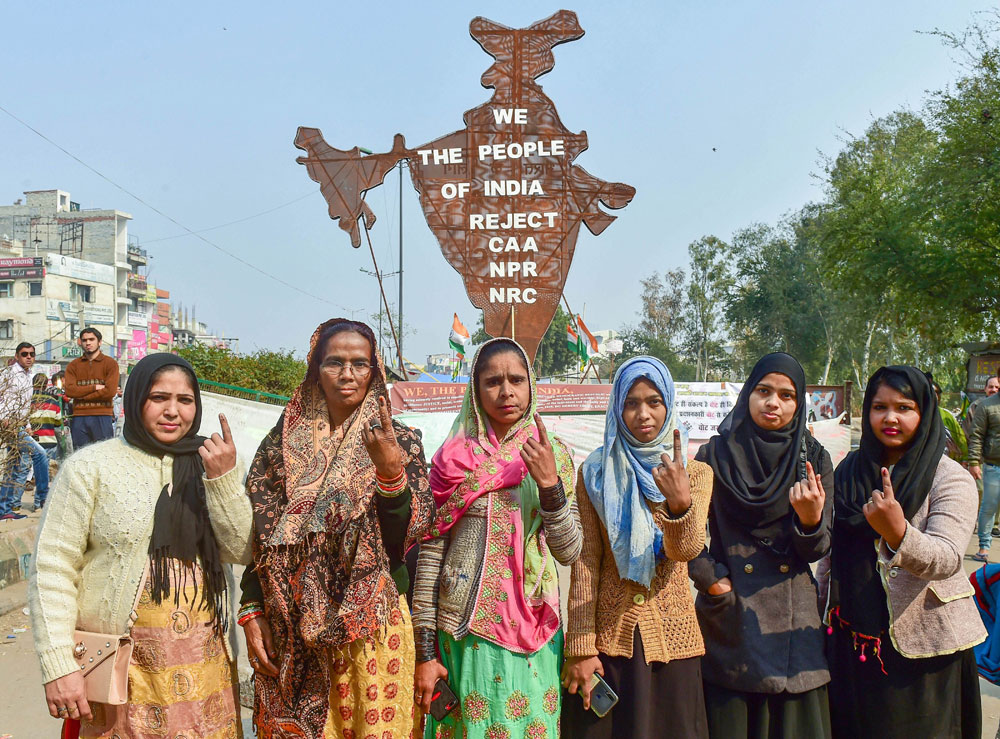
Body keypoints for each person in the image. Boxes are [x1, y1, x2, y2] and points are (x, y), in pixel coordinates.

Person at [29, 354, 250, 736]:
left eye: (185, 400)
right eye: (158, 397)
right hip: (123, 672)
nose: (172, 411)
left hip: (207, 666)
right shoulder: (90, 468)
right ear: (133, 400)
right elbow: (52, 568)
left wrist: (224, 482)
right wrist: (59, 666)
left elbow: (241, 551)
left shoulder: (214, 462)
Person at [238, 318, 433, 738]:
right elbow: (262, 537)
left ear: (374, 371)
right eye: (334, 362)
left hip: (369, 626)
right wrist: (252, 609)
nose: (347, 374)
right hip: (288, 626)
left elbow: (404, 540)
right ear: (315, 369)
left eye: (359, 363)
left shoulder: (401, 441)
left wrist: (390, 473)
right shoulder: (280, 445)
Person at [412, 338, 582, 739]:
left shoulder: (553, 453)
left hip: (537, 633)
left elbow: (569, 550)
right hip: (466, 635)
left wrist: (550, 485)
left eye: (516, 380)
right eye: (493, 381)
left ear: (531, 386)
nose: (506, 391)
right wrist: (425, 651)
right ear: (475, 389)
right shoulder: (452, 459)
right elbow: (430, 558)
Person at [823, 366, 984, 738]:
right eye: (879, 407)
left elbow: (947, 558)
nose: (890, 417)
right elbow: (832, 557)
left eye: (904, 407)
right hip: (853, 641)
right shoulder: (849, 470)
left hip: (925, 649)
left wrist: (898, 533)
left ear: (924, 412)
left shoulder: (950, 477)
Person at [561, 356, 713, 738]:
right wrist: (580, 645)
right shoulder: (595, 472)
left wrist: (679, 504)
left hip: (672, 644)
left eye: (654, 402)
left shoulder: (694, 473)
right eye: (631, 403)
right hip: (610, 644)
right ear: (616, 408)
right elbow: (586, 561)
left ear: (669, 405)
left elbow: (687, 550)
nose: (643, 414)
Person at [690, 353, 834, 738]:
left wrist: (809, 520)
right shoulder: (713, 455)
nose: (774, 402)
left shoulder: (814, 458)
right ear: (747, 395)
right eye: (764, 391)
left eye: (787, 395)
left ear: (799, 403)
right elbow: (686, 535)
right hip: (730, 618)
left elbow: (818, 549)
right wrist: (712, 581)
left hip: (790, 626)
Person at [0, 342, 49, 520]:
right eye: (24, 354)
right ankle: (44, 498)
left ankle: (4, 509)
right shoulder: (8, 375)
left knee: (13, 467)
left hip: (19, 424)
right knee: (40, 454)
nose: (29, 357)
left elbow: (23, 403)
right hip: (8, 424)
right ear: (17, 355)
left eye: (31, 354)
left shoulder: (30, 376)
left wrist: (27, 423)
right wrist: (3, 416)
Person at [64, 327, 119, 449]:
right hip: (79, 417)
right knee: (80, 456)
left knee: (104, 455)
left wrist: (81, 396)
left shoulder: (110, 364)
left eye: (91, 339)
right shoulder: (73, 366)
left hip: (103, 415)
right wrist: (94, 387)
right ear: (80, 343)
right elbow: (70, 391)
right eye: (84, 340)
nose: (88, 343)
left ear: (99, 342)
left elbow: (110, 392)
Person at [968, 370, 1000, 562]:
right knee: (988, 507)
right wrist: (973, 462)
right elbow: (976, 435)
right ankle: (983, 547)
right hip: (992, 466)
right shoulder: (986, 405)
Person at [29, 373, 63, 511]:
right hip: (49, 441)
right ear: (46, 385)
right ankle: (40, 502)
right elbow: (58, 422)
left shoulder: (27, 401)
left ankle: (16, 505)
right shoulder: (53, 402)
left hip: (32, 442)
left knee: (34, 473)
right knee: (46, 474)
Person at [932, 379, 967, 462]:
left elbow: (960, 439)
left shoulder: (947, 415)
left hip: (946, 460)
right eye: (931, 392)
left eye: (937, 393)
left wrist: (965, 459)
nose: (934, 396)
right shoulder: (915, 416)